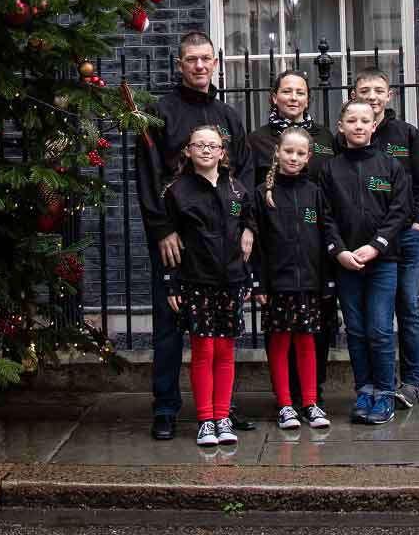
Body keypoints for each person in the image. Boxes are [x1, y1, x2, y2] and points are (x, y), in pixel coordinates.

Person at [133, 30, 255, 441]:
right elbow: (148, 175)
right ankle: (166, 407)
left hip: (223, 242)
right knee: (170, 324)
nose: (199, 66)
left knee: (222, 331)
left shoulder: (229, 116)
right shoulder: (161, 112)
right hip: (176, 239)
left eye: (206, 58)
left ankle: (222, 410)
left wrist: (248, 227)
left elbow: (247, 176)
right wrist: (162, 229)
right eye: (191, 60)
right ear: (179, 65)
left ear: (215, 62)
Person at [246, 69, 338, 409]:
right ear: (274, 96)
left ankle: (314, 393)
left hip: (315, 249)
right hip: (277, 248)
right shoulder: (257, 140)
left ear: (308, 98)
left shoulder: (326, 137)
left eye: (300, 92)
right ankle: (284, 398)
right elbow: (251, 194)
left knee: (318, 327)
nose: (294, 97)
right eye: (287, 91)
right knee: (281, 333)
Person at [318, 97, 413, 425]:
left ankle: (385, 393)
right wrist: (339, 251)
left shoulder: (391, 166)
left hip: (383, 261)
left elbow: (399, 211)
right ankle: (365, 391)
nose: (358, 126)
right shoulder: (330, 169)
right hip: (346, 264)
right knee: (356, 330)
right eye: (352, 121)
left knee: (379, 329)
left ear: (374, 126)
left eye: (364, 121)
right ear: (341, 127)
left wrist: (376, 246)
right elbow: (324, 216)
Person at [161, 124, 257, 448]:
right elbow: (170, 242)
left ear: (221, 152)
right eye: (198, 144)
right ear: (188, 151)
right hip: (196, 280)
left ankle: (223, 416)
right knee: (203, 351)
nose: (205, 150)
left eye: (212, 145)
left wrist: (246, 276)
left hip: (230, 280)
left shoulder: (237, 189)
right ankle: (205, 420)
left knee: (226, 352)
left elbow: (247, 227)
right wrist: (172, 284)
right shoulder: (177, 192)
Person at [354, 68, 419, 410]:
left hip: (405, 237)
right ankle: (377, 384)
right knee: (375, 316)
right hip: (370, 241)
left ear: (390, 95)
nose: (372, 96)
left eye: (378, 90)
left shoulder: (407, 134)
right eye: (365, 90)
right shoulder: (351, 134)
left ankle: (412, 382)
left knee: (408, 308)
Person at [253, 127, 333, 432]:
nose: (294, 157)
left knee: (307, 342)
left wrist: (326, 280)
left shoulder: (314, 193)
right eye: (289, 151)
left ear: (309, 157)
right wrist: (259, 282)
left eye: (301, 153)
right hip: (277, 284)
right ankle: (285, 404)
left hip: (309, 283)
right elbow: (256, 243)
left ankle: (310, 402)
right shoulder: (263, 194)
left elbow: (325, 235)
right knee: (279, 343)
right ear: (277, 152)